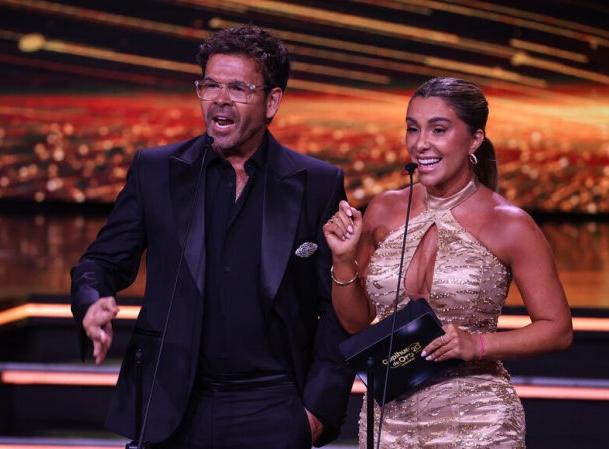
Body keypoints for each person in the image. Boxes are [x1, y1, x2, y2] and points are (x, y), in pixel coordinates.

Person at [71, 25, 353, 449]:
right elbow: (101, 263)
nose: (220, 99)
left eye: (238, 88)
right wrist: (92, 301)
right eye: (210, 85)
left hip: (273, 405)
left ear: (272, 101)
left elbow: (336, 307)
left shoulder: (317, 184)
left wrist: (316, 411)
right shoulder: (156, 171)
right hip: (171, 405)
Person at [323, 77, 573, 448]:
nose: (420, 143)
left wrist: (479, 345)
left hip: (478, 420)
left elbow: (558, 330)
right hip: (389, 423)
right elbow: (356, 321)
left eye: (438, 130)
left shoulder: (510, 224)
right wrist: (344, 260)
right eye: (413, 129)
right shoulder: (383, 210)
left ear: (474, 139)